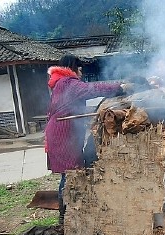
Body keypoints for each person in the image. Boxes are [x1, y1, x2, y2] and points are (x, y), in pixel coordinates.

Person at [45, 54, 133, 224]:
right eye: (79, 69)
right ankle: (66, 216)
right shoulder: (67, 83)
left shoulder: (60, 83)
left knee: (69, 173)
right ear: (72, 68)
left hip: (61, 132)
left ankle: (69, 213)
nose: (81, 73)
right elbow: (92, 89)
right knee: (71, 174)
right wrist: (120, 86)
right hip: (63, 135)